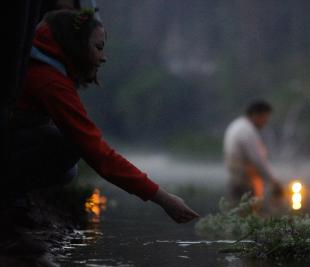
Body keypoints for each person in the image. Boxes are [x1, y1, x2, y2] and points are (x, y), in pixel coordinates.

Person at [6, 9, 199, 224]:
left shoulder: (42, 64)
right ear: (76, 46)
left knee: (68, 171)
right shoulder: (49, 80)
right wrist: (164, 199)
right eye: (98, 48)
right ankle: (10, 205)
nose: (103, 58)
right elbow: (96, 152)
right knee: (65, 146)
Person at [223, 100, 282, 201]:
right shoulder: (247, 131)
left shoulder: (237, 125)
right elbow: (257, 160)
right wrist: (273, 182)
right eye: (264, 117)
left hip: (234, 180)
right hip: (244, 183)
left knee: (238, 213)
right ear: (256, 115)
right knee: (248, 213)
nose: (265, 122)